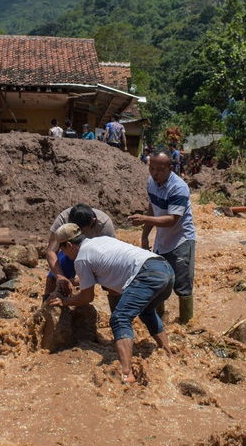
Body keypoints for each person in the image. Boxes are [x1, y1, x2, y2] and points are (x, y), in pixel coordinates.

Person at [47, 223, 173, 384]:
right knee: (147, 311)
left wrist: (65, 301)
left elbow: (87, 297)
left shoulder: (82, 258)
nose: (63, 253)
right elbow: (103, 269)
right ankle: (168, 353)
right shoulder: (101, 240)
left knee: (120, 318)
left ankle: (126, 374)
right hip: (165, 269)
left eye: (62, 249)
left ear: (70, 245)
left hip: (147, 275)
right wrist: (72, 281)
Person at [128, 152, 197, 324]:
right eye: (152, 168)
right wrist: (145, 236)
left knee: (182, 285)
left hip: (181, 239)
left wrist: (144, 219)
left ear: (170, 168)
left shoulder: (179, 187)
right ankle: (159, 321)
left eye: (160, 169)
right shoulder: (151, 182)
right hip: (162, 239)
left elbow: (172, 220)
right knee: (158, 280)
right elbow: (152, 208)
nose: (155, 173)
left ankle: (186, 324)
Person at [43, 204, 117, 300]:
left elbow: (110, 256)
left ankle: (118, 308)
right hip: (70, 252)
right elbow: (51, 251)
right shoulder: (64, 218)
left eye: (82, 231)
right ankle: (47, 306)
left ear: (93, 221)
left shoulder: (104, 224)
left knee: (113, 283)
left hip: (96, 256)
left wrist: (85, 277)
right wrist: (59, 276)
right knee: (54, 279)